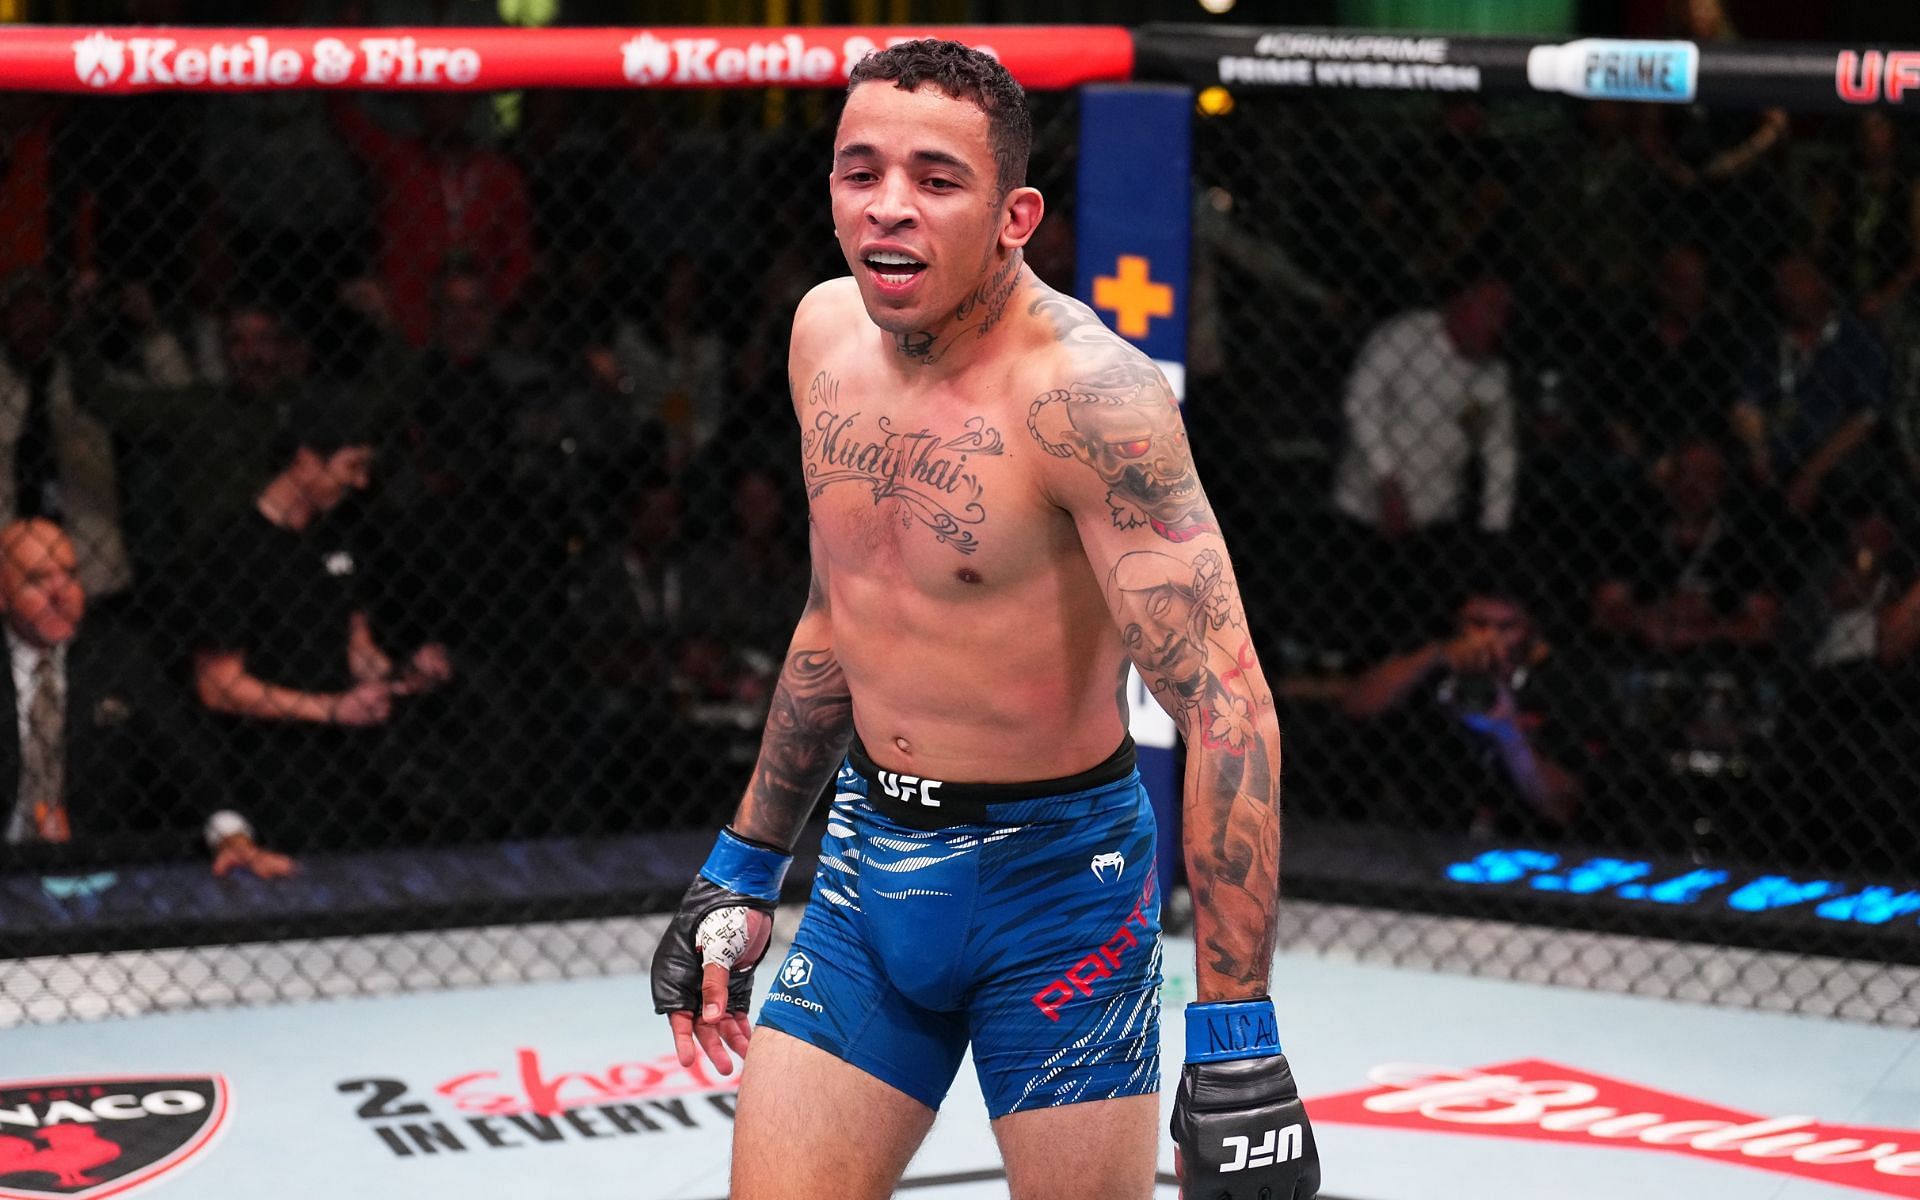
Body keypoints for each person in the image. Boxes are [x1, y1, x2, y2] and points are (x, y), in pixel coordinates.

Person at [650, 40, 1318, 1200]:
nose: (889, 209)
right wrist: (744, 863)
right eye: (860, 173)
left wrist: (1237, 1027)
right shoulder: (824, 337)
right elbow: (837, 617)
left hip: (1058, 893)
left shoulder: (1090, 397)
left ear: (1014, 215)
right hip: (867, 869)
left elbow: (1223, 702)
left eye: (935, 179)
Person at [189, 401, 461, 853]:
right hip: (268, 770)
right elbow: (217, 686)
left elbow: (357, 647)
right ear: (305, 460)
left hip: (350, 767)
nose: (360, 481)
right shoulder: (233, 548)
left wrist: (402, 674)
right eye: (350, 466)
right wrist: (330, 709)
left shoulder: (337, 536)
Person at [0, 518, 290, 877]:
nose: (61, 594)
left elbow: (186, 751)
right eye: (37, 580)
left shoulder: (118, 656)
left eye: (70, 575)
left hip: (92, 863)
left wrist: (231, 835)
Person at [1342, 585, 1588, 837]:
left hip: (1528, 841)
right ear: (1459, 624)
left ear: (1529, 629)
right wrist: (1434, 656)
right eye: (1478, 624)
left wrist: (1508, 730)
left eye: (1506, 627)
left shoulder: (1562, 681)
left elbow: (1560, 808)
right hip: (1429, 834)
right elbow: (1356, 705)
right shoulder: (1434, 666)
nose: (1490, 637)